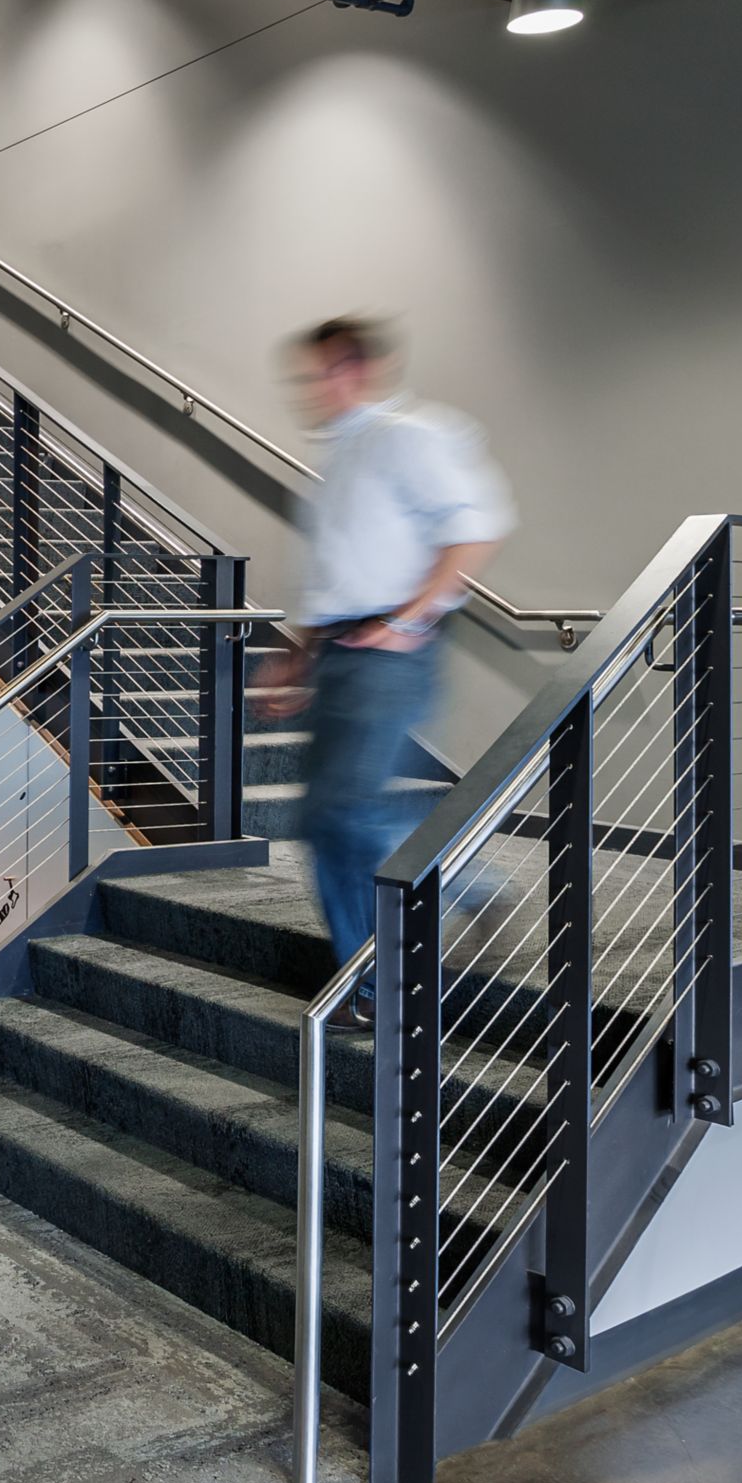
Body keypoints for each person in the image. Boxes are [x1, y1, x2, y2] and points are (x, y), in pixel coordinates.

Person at [262, 318, 515, 1032]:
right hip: (342, 647)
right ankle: (365, 983)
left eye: (316, 374)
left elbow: (476, 528)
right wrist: (300, 654)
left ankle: (468, 882)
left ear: (352, 371)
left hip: (393, 648)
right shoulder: (337, 460)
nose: (305, 390)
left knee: (343, 810)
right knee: (322, 823)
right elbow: (339, 570)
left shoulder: (411, 434)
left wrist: (407, 620)